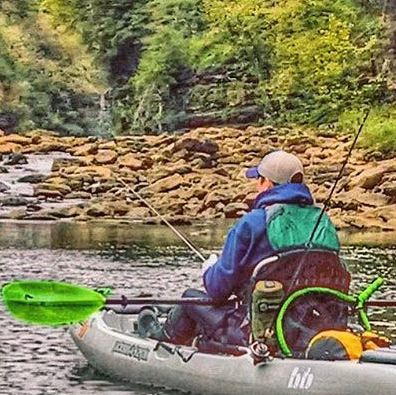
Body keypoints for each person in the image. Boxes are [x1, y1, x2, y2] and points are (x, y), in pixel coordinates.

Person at [138, 150, 341, 351]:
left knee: (189, 298)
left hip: (256, 332)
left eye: (259, 179)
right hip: (314, 327)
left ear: (267, 183)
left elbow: (218, 290)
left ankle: (161, 340)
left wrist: (209, 269)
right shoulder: (324, 223)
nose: (256, 185)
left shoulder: (252, 223)